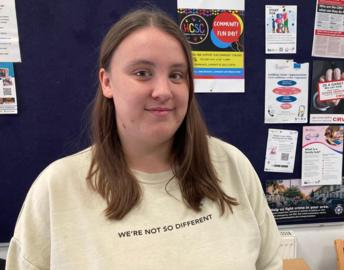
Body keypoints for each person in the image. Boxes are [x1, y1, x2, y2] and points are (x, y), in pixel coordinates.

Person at [6, 8, 282, 270]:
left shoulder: (232, 166)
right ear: (107, 82)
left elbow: (270, 262)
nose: (163, 90)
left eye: (176, 75)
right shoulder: (57, 188)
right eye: (142, 73)